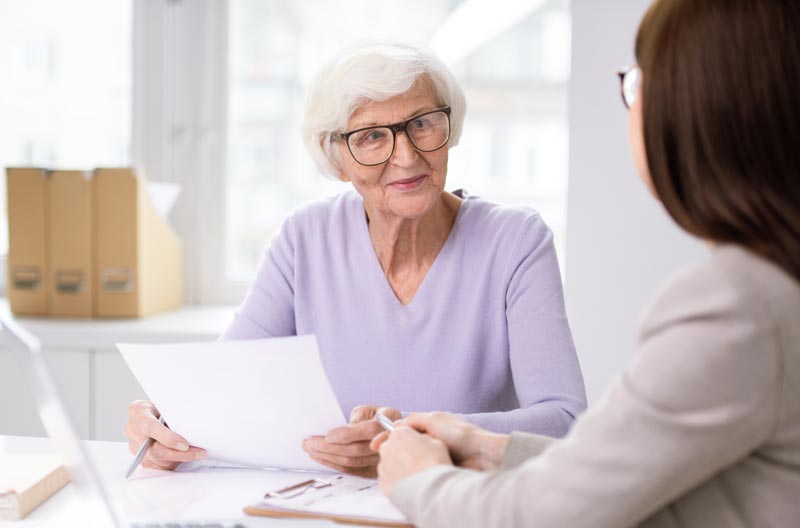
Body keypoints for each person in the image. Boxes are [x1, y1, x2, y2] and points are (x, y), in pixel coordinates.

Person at [372, 1, 800, 526]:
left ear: (697, 109)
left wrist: (420, 480)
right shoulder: (774, 286)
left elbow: (542, 516)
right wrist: (490, 449)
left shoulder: (736, 308)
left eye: (638, 82)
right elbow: (630, 469)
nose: (405, 155)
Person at [123, 40, 586, 476]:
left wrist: (406, 435)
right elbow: (222, 385)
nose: (406, 156)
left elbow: (565, 421)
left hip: (455, 508)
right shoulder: (304, 238)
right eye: (371, 137)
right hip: (323, 508)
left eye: (422, 123)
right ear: (337, 158)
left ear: (450, 127)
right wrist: (162, 421)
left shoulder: (516, 241)